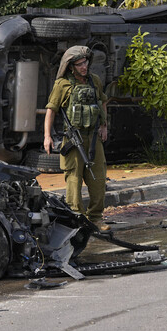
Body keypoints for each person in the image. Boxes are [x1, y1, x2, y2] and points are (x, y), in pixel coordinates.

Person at [43, 46, 110, 232]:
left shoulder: (94, 81)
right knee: (73, 181)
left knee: (98, 181)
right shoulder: (63, 85)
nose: (84, 67)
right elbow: (51, 110)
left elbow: (103, 101)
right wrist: (47, 136)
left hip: (93, 138)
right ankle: (77, 220)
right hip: (73, 139)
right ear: (71, 66)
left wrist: (104, 126)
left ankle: (95, 218)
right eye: (79, 64)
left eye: (85, 63)